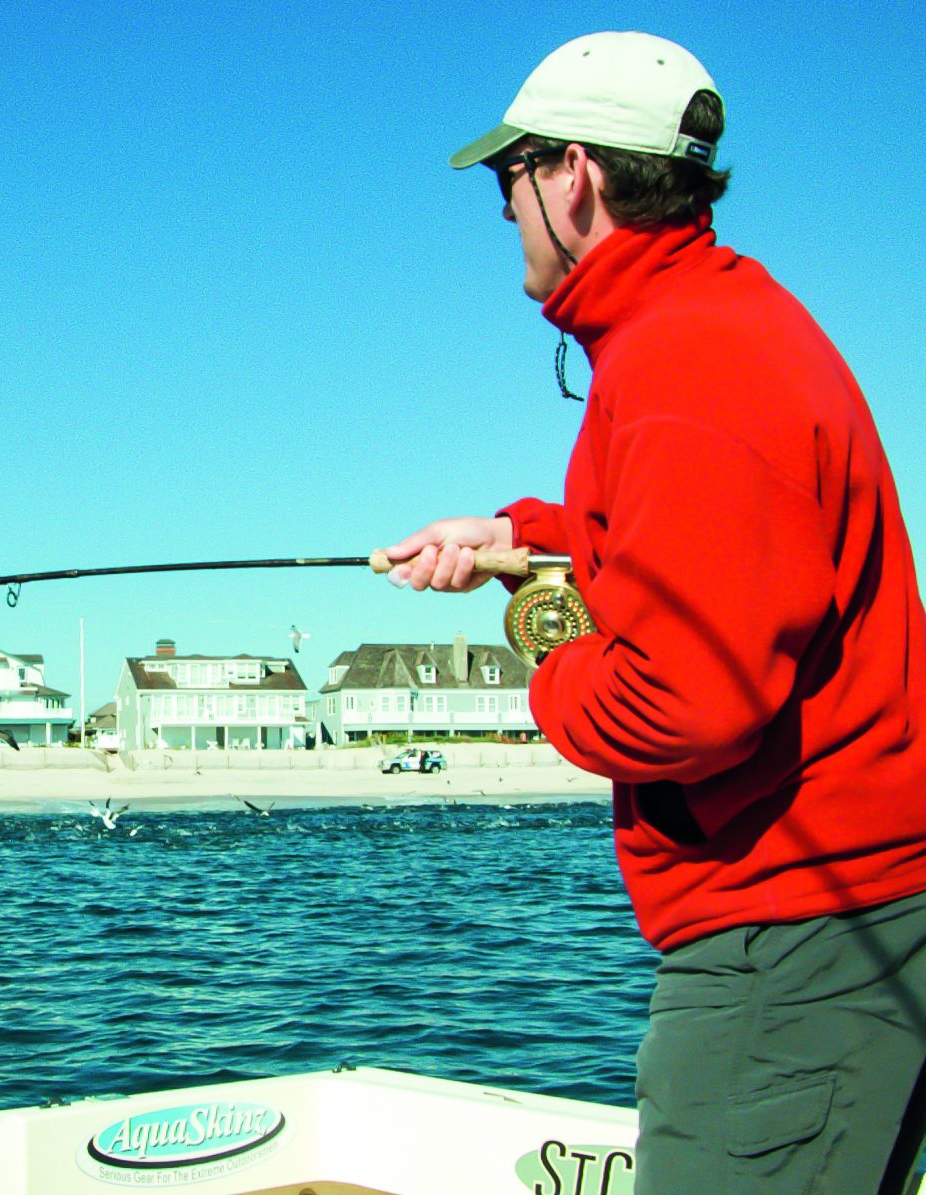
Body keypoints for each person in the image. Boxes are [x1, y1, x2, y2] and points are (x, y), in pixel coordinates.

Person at [380, 31, 926, 1193]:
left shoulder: (688, 366)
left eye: (505, 180)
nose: (505, 211)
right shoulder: (718, 327)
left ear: (568, 174)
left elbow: (682, 701)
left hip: (795, 939)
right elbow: (693, 542)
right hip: (837, 922)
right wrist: (521, 540)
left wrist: (547, 660)